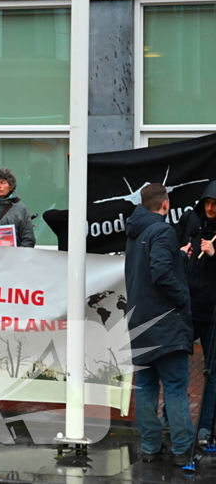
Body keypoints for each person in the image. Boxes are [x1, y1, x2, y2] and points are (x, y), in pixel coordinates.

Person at [125, 183, 194, 467]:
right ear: (165, 204)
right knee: (176, 386)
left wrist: (177, 255)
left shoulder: (136, 231)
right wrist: (182, 299)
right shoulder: (163, 231)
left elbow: (149, 266)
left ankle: (151, 447)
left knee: (145, 385)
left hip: (140, 321)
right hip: (166, 321)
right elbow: (161, 273)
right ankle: (182, 449)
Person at [178, 181, 216, 443]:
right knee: (176, 366)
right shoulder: (189, 220)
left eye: (215, 204)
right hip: (187, 306)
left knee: (212, 371)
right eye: (208, 203)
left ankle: (205, 426)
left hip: (212, 311)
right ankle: (175, 421)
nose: (211, 208)